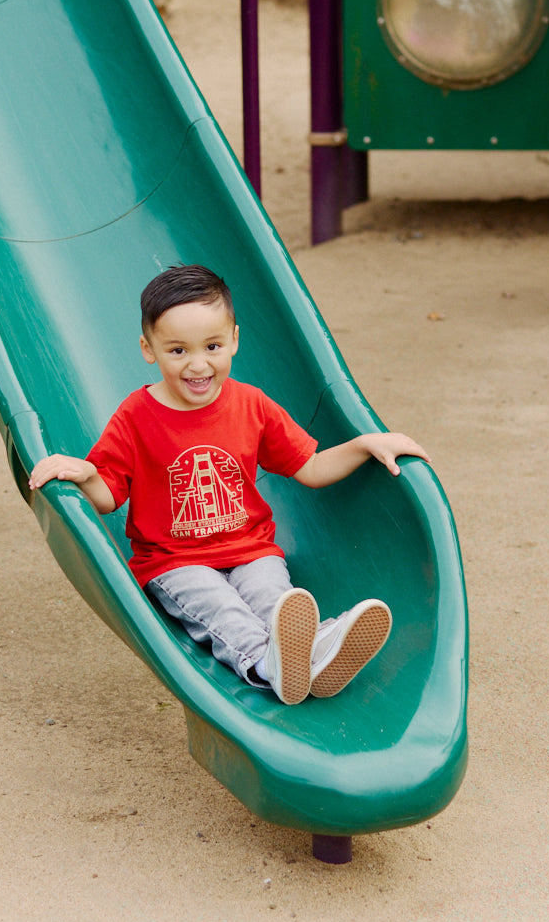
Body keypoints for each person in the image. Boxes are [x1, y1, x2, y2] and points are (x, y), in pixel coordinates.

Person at [29, 265, 430, 705]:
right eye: (178, 350)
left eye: (213, 346)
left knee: (276, 600)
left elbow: (310, 467)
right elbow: (107, 499)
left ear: (234, 340)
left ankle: (314, 646)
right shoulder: (136, 415)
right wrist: (86, 474)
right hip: (176, 561)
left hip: (250, 549)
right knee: (224, 612)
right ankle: (267, 664)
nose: (198, 364)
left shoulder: (251, 404)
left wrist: (363, 444)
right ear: (149, 349)